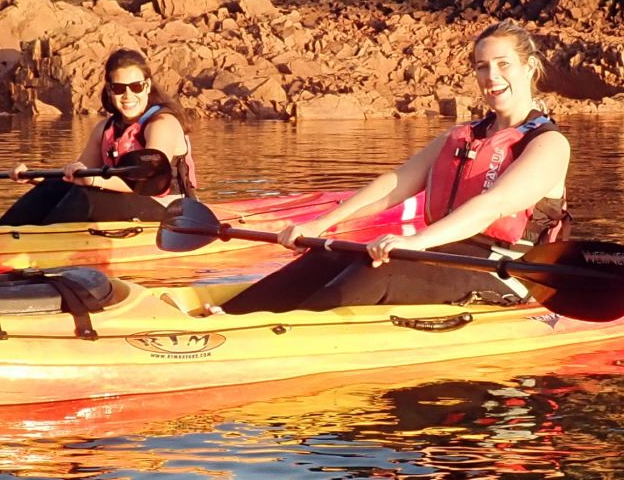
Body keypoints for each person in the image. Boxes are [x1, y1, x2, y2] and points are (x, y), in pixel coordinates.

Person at [220, 20, 571, 314]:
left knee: (380, 271)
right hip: (444, 252)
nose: (491, 76)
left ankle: (273, 334)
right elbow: (395, 184)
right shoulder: (464, 136)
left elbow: (490, 207)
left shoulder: (548, 144)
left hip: (505, 271)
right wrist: (321, 224)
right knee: (336, 253)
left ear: (529, 68)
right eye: (482, 66)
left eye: (503, 64)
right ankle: (228, 315)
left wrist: (416, 241)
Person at [0, 48, 198, 226]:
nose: (128, 95)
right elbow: (74, 177)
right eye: (119, 89)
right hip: (126, 202)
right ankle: (3, 228)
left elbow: (149, 182)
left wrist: (93, 180)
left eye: (135, 87)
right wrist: (33, 176)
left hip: (174, 210)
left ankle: (33, 243)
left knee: (86, 194)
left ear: (146, 86)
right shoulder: (105, 128)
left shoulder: (162, 124)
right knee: (59, 186)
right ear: (110, 91)